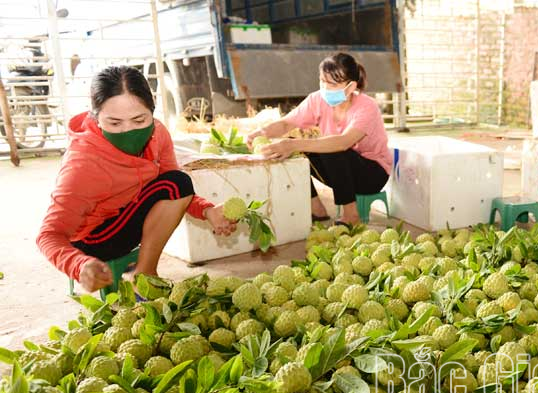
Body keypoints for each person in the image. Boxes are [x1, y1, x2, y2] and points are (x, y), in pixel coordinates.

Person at [37, 65, 236, 294]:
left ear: (152, 111)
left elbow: (170, 186)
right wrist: (79, 265)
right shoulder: (83, 165)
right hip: (91, 239)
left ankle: (143, 273)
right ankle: (143, 276)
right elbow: (48, 235)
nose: (128, 130)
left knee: (178, 181)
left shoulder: (157, 133)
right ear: (96, 117)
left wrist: (207, 211)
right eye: (114, 123)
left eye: (139, 120)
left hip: (124, 214)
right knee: (177, 183)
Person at [249, 53, 392, 226]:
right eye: (322, 81)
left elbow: (343, 142)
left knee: (329, 146)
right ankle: (317, 209)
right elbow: (287, 123)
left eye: (331, 83)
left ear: (350, 86)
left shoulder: (366, 106)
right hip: (340, 172)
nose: (325, 87)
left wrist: (292, 144)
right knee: (297, 147)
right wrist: (260, 132)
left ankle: (351, 215)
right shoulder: (317, 99)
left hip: (371, 174)